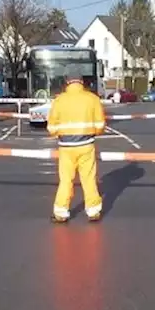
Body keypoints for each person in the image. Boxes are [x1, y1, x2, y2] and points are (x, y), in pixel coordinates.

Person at [46, 75, 107, 223]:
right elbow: (100, 126)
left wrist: (60, 133)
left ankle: (61, 212)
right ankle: (93, 211)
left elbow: (51, 127)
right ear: (82, 83)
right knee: (89, 178)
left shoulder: (59, 100)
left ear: (67, 83)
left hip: (66, 147)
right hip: (86, 144)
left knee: (66, 179)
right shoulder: (92, 99)